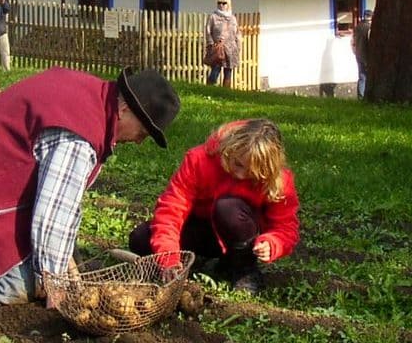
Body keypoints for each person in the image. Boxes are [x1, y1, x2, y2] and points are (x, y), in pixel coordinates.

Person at [0, 66, 181, 321]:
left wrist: (66, 262)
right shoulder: (80, 138)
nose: (140, 142)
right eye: (143, 132)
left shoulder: (91, 94)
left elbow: (63, 200)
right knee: (21, 282)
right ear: (125, 109)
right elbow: (51, 216)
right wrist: (56, 287)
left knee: (52, 256)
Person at [127, 118, 300, 295]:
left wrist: (273, 243)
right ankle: (191, 261)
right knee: (140, 239)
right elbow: (171, 209)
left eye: (252, 172)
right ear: (229, 148)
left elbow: (286, 227)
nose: (240, 175)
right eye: (238, 164)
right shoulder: (199, 160)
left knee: (228, 209)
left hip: (241, 235)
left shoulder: (279, 181)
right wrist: (168, 257)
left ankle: (243, 268)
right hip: (200, 229)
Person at [205, 0, 240, 87]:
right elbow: (208, 31)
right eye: (219, 3)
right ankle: (209, 89)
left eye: (224, 3)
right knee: (215, 70)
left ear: (228, 4)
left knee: (228, 71)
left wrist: (238, 46)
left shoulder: (232, 18)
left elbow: (237, 33)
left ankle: (225, 92)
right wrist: (211, 44)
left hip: (230, 48)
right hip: (218, 47)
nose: (221, 5)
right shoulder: (213, 17)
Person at [352, 9, 373, 99]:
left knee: (361, 76)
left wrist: (355, 51)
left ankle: (360, 96)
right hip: (367, 55)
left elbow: (352, 42)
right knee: (368, 76)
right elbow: (370, 42)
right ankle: (367, 96)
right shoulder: (369, 28)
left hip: (358, 54)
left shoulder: (358, 27)